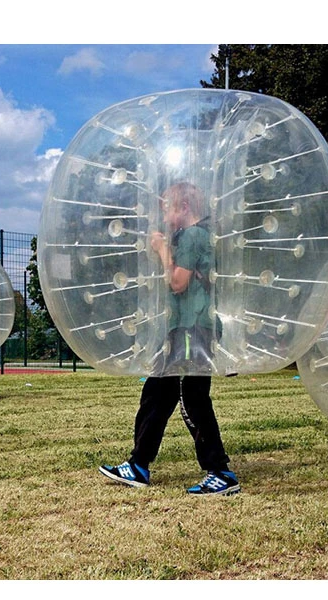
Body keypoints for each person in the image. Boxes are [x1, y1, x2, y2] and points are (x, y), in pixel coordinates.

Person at [99, 182, 240, 495]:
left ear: (184, 207)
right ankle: (138, 465)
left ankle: (220, 472)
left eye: (167, 207)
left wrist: (163, 251)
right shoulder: (190, 236)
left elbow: (177, 283)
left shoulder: (193, 236)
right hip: (183, 328)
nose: (163, 214)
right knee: (156, 395)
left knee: (192, 399)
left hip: (192, 329)